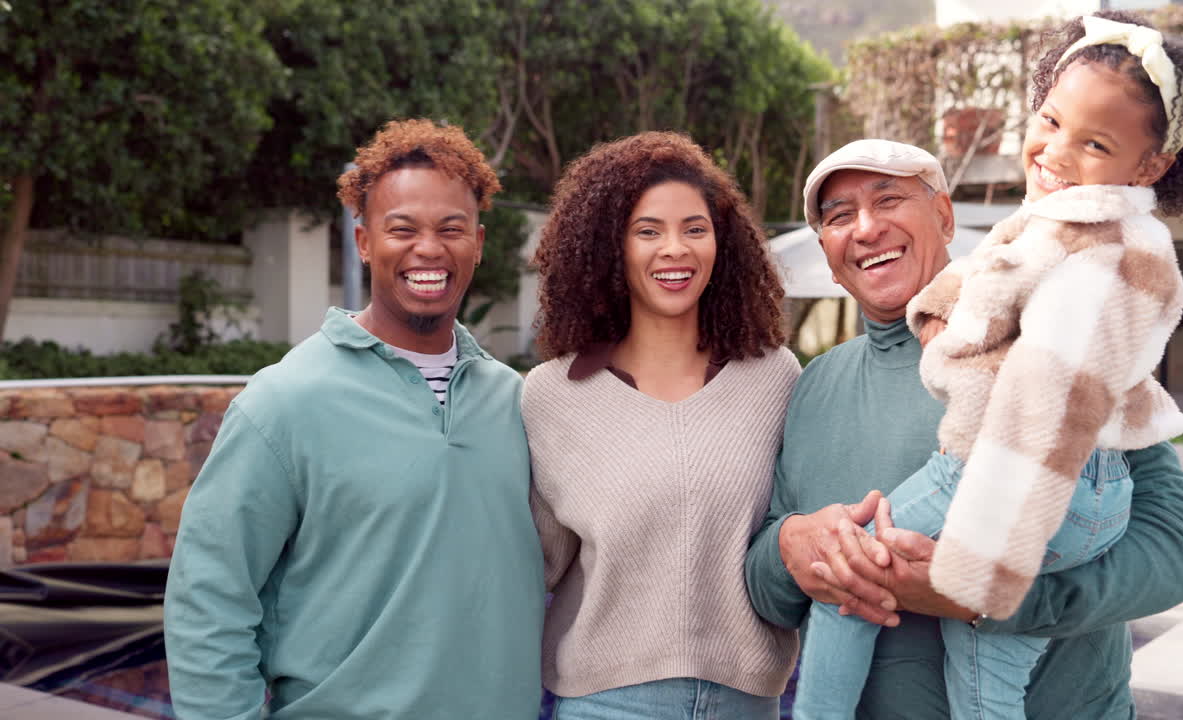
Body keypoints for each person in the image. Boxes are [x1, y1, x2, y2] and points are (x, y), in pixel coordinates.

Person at [791, 11, 1183, 719]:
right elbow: (756, 571)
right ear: (824, 248)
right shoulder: (810, 386)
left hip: (1030, 544)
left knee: (864, 582)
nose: (865, 227)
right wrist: (789, 546)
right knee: (979, 673)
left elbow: (1179, 552)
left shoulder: (1091, 269)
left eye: (888, 200)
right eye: (838, 215)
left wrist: (985, 588)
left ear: (943, 215)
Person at [163, 119, 544, 719]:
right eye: (403, 229)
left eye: (452, 229)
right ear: (365, 242)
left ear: (479, 242)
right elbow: (208, 598)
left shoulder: (516, 402)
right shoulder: (284, 402)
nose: (429, 248)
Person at [521, 131, 799, 719]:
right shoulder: (550, 396)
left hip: (747, 701)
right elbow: (530, 566)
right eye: (648, 231)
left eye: (694, 229)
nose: (675, 249)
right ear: (609, 248)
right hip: (606, 704)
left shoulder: (775, 378)